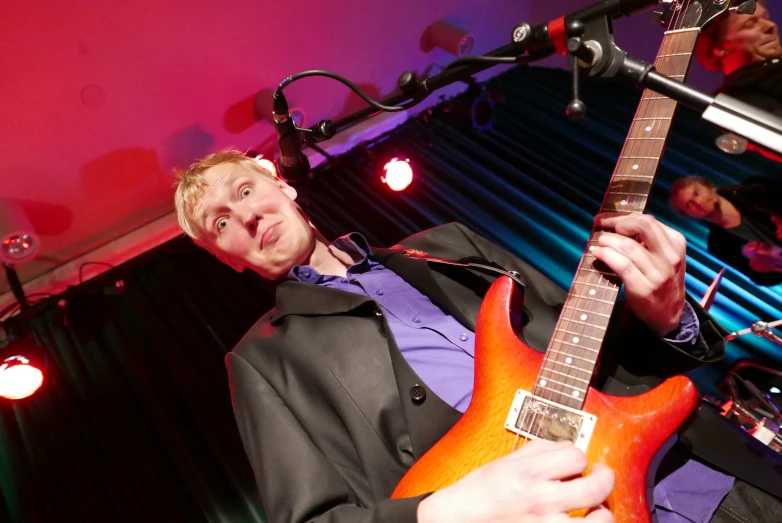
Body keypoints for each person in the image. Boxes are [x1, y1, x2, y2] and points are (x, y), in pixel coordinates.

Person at [174, 150, 782, 522]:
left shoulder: (448, 245)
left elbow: (614, 353)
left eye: (245, 190)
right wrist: (446, 512)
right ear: (225, 258)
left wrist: (668, 317)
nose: (246, 215)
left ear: (284, 185)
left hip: (707, 469)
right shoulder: (262, 360)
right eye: (221, 223)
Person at [694, 0, 782, 162]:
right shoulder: (730, 105)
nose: (769, 26)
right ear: (720, 48)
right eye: (750, 25)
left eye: (767, 18)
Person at [669, 175, 782, 286]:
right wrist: (762, 269)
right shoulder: (718, 246)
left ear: (711, 187)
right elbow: (763, 279)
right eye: (689, 205)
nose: (698, 203)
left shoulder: (755, 189)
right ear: (690, 216)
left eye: (697, 193)